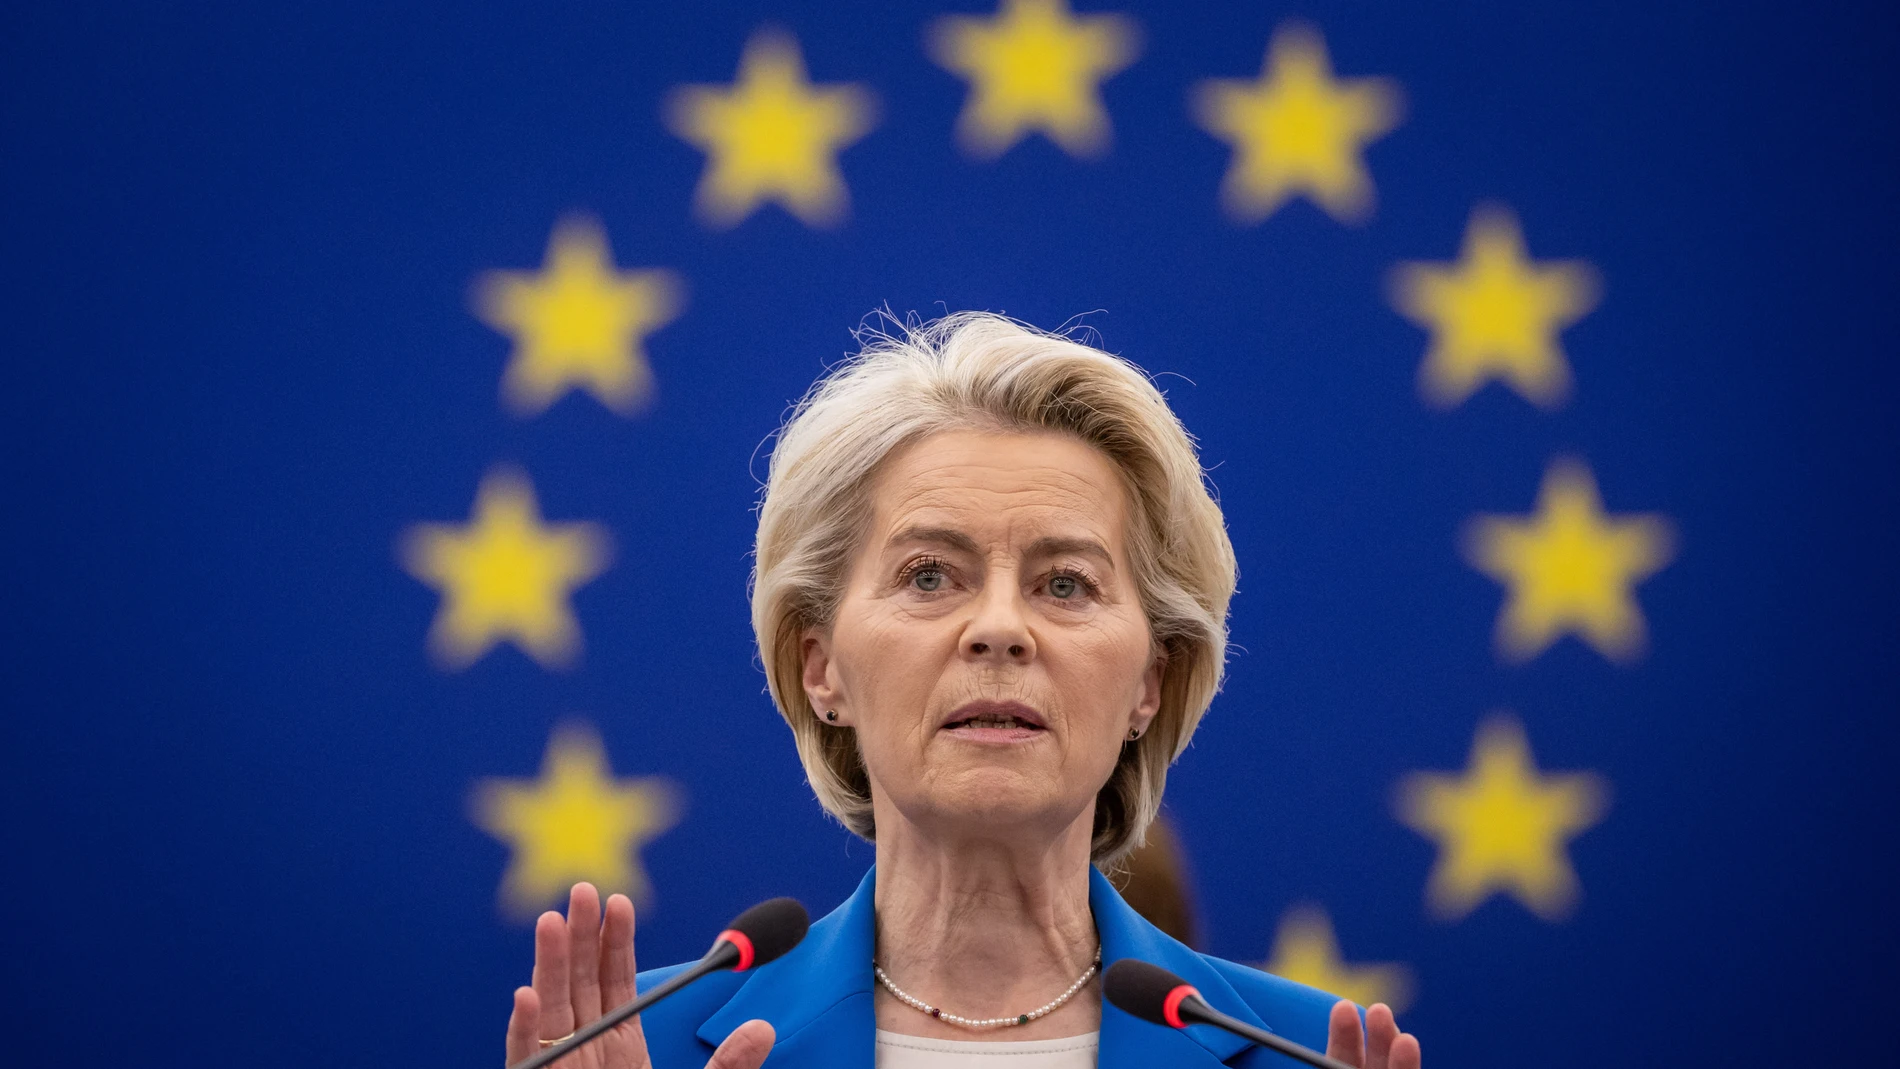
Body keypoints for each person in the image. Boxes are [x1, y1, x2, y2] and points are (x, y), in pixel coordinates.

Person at [501, 313, 1423, 1069]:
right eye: (930, 576)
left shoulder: (1306, 1054)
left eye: (1066, 583)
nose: (999, 627)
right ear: (821, 665)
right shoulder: (639, 1049)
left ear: (1153, 679)